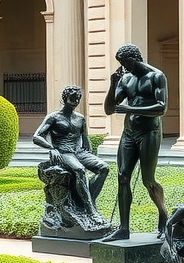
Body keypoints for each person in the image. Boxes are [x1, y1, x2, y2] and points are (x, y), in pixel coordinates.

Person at [103, 43, 169, 241]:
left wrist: (131, 109)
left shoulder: (156, 76)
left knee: (148, 180)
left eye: (124, 62)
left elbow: (161, 108)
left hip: (150, 132)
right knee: (122, 177)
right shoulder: (126, 79)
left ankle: (164, 215)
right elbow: (109, 109)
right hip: (129, 133)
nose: (123, 67)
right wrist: (113, 84)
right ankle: (124, 228)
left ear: (134, 58)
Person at [33, 85, 109, 221]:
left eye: (78, 98)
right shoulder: (54, 117)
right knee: (80, 170)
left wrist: (90, 154)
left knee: (104, 168)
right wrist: (51, 148)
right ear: (65, 97)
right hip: (63, 152)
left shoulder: (80, 118)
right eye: (73, 97)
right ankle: (90, 209)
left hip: (78, 152)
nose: (76, 100)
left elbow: (85, 140)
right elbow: (37, 136)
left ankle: (87, 198)